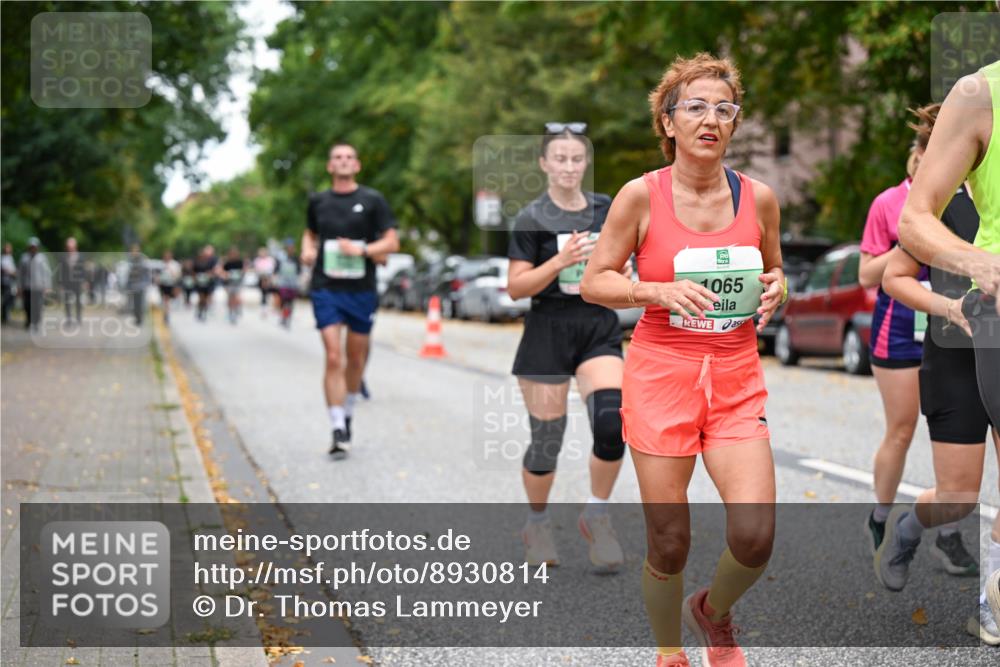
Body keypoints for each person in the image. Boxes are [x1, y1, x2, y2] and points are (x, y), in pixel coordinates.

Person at [581, 53, 784, 667]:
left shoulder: (761, 198)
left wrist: (778, 287)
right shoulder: (640, 196)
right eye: (695, 107)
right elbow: (595, 281)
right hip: (660, 372)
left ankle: (713, 612)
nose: (711, 119)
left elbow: (772, 267)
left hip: (734, 374)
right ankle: (670, 652)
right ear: (668, 123)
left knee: (755, 536)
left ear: (735, 123)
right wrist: (654, 289)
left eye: (724, 109)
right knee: (669, 542)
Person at [879, 102, 995, 642]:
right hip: (953, 354)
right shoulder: (938, 206)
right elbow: (894, 278)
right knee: (960, 496)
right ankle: (907, 527)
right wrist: (948, 308)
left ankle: (990, 604)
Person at [506, 122, 628, 573]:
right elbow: (516, 287)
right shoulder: (530, 217)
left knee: (613, 423)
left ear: (586, 163)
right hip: (547, 328)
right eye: (560, 158)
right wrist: (561, 260)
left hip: (596, 325)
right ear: (544, 163)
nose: (569, 167)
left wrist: (625, 273)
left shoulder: (606, 209)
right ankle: (536, 524)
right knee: (546, 441)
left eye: (577, 159)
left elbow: (621, 263)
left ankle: (597, 514)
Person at [859, 128, 975, 575]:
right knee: (903, 428)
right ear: (920, 155)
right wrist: (919, 238)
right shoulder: (892, 203)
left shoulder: (973, 198)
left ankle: (947, 533)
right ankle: (882, 517)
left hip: (959, 330)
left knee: (950, 441)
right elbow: (870, 274)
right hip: (901, 328)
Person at [300, 142, 399, 460]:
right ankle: (337, 426)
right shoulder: (318, 201)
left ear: (357, 165)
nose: (343, 161)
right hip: (326, 287)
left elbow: (392, 241)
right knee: (333, 357)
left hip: (361, 289)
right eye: (337, 158)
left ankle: (349, 408)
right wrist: (307, 249)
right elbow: (310, 233)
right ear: (330, 166)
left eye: (349, 157)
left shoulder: (372, 200)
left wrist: (364, 251)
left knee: (355, 359)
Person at [18, 237, 51, 331]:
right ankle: (29, 320)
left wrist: (47, 286)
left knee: (37, 306)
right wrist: (19, 287)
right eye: (31, 247)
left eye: (35, 247)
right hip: (27, 286)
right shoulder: (24, 258)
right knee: (27, 305)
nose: (33, 248)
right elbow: (20, 273)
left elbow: (46, 273)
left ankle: (36, 322)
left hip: (38, 286)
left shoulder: (42, 258)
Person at [274, 240, 301, 329]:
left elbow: (299, 271)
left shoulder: (296, 259)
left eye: (292, 248)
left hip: (293, 284)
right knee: (284, 301)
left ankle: (288, 317)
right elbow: (276, 269)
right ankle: (283, 316)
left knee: (291, 302)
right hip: (283, 283)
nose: (290, 249)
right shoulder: (281, 258)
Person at [59, 237, 85, 324]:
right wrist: (61, 283)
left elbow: (83, 270)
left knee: (78, 301)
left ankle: (78, 318)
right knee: (67, 302)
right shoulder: (63, 257)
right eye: (68, 247)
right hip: (67, 283)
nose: (69, 248)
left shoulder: (80, 257)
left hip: (77, 282)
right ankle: (68, 318)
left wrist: (84, 281)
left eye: (71, 247)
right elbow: (61, 271)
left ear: (75, 246)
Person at [193, 245, 220, 322]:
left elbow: (216, 270)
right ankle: (200, 310)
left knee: (206, 298)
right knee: (201, 298)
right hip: (200, 282)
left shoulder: (213, 260)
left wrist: (211, 274)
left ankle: (204, 311)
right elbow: (194, 271)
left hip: (209, 282)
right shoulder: (198, 261)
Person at [126, 244, 150, 326]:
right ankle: (137, 318)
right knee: (135, 304)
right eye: (133, 250)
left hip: (141, 285)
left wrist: (146, 283)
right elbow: (128, 274)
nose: (134, 252)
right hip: (133, 285)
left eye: (136, 250)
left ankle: (140, 319)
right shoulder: (130, 261)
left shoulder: (142, 260)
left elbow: (146, 273)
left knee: (140, 304)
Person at [157, 250, 182, 324]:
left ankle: (167, 312)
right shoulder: (161, 264)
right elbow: (157, 275)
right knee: (165, 299)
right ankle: (166, 314)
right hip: (163, 284)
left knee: (169, 300)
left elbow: (178, 275)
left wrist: (170, 270)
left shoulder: (175, 264)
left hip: (171, 284)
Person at [222, 246, 245, 325]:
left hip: (237, 282)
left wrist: (240, 273)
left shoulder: (240, 262)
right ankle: (230, 312)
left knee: (236, 297)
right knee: (230, 298)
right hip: (229, 283)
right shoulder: (227, 263)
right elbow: (223, 272)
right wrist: (227, 275)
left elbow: (243, 271)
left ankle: (235, 311)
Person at [254, 246, 276, 318]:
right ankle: (263, 309)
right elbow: (257, 270)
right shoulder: (258, 260)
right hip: (261, 278)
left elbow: (271, 269)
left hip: (268, 278)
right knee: (263, 294)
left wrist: (269, 278)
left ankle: (268, 308)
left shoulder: (270, 260)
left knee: (268, 293)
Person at [1, 242, 16, 325]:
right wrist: (12, 273)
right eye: (7, 248)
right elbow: (5, 269)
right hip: (5, 282)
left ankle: (7, 314)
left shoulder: (10, 258)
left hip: (10, 281)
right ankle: (5, 316)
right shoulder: (2, 258)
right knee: (6, 299)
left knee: (11, 298)